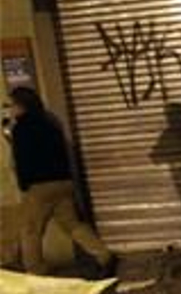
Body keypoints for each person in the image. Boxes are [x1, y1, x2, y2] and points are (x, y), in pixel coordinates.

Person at [6, 86, 117, 277]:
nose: (10, 109)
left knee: (30, 230)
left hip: (39, 186)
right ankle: (104, 254)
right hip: (62, 182)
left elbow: (22, 160)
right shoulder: (50, 123)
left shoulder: (21, 128)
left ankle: (35, 270)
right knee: (72, 224)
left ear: (21, 106)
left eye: (11, 105)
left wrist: (24, 185)